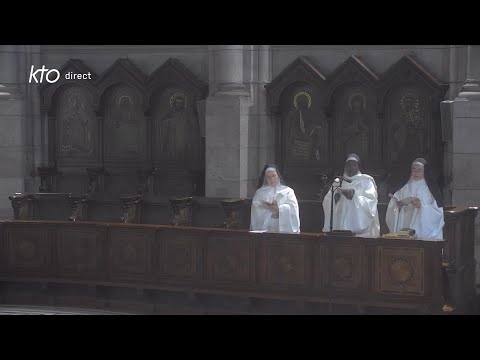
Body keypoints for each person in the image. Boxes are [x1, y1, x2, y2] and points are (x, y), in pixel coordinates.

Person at [322, 154, 380, 237]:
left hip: (359, 230)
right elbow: (327, 201)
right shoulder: (338, 182)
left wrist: (354, 197)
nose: (351, 167)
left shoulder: (366, 181)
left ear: (358, 167)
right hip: (339, 225)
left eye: (353, 165)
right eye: (348, 165)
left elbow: (371, 201)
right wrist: (335, 198)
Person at [385, 158, 444, 239]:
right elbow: (394, 204)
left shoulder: (431, 189)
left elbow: (438, 212)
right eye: (414, 169)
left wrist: (422, 206)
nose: (416, 172)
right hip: (404, 226)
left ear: (424, 172)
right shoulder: (404, 186)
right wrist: (398, 206)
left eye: (420, 170)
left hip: (422, 229)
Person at [250, 165, 300, 233]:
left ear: (278, 176)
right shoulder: (259, 192)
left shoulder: (288, 191)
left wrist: (279, 211)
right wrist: (268, 209)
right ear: (265, 178)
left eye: (274, 176)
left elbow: (293, 208)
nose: (271, 179)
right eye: (268, 177)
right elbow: (255, 209)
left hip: (283, 231)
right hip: (265, 230)